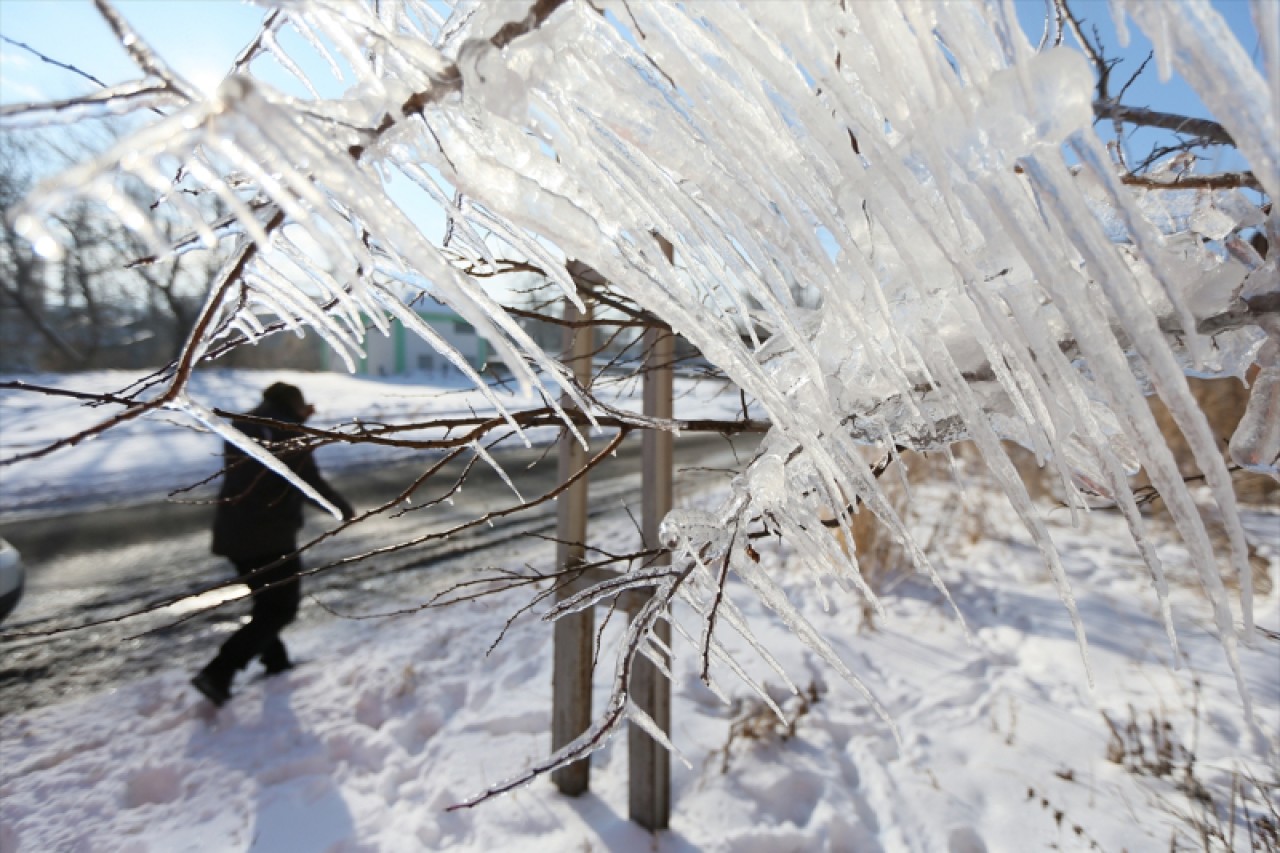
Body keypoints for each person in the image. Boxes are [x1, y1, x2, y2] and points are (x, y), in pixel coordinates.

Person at [192, 382, 353, 707]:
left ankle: (276, 664)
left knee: (268, 604)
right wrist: (341, 510)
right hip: (269, 536)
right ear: (294, 404)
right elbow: (308, 480)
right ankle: (219, 672)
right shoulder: (288, 432)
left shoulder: (244, 423)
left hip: (233, 532)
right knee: (281, 608)